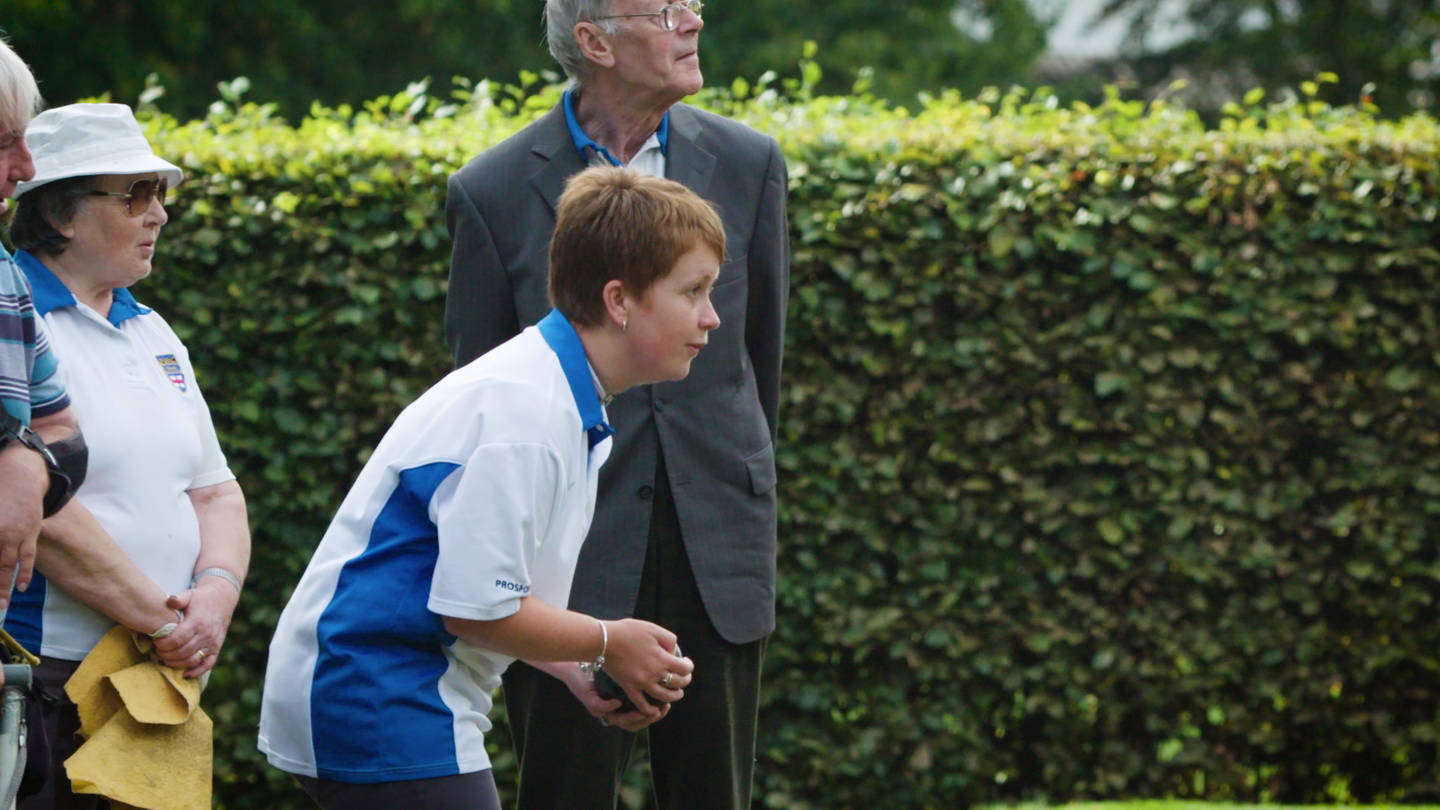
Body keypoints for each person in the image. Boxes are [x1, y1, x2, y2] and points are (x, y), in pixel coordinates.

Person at [259, 166, 719, 810]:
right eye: (694, 291)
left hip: (385, 689)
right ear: (620, 302)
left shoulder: (554, 391)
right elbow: (474, 609)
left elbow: (488, 595)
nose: (713, 317)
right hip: (377, 692)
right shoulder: (525, 414)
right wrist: (608, 641)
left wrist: (578, 669)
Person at [445, 1, 789, 807]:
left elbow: (757, 361)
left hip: (717, 547)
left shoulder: (748, 163)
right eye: (665, 11)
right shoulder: (492, 189)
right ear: (595, 42)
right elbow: (482, 393)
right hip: (569, 562)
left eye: (692, 6)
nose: (693, 24)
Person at [5, 102, 252, 808]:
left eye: (161, 194)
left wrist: (216, 596)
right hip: (45, 680)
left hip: (151, 673)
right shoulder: (12, 319)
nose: (159, 215)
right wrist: (168, 621)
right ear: (60, 213)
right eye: (135, 194)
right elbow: (35, 508)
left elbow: (216, 491)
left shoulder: (153, 329)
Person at [0, 36, 76, 620]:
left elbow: (62, 433)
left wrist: (26, 454)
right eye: (4, 144)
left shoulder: (6, 277)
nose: (25, 170)